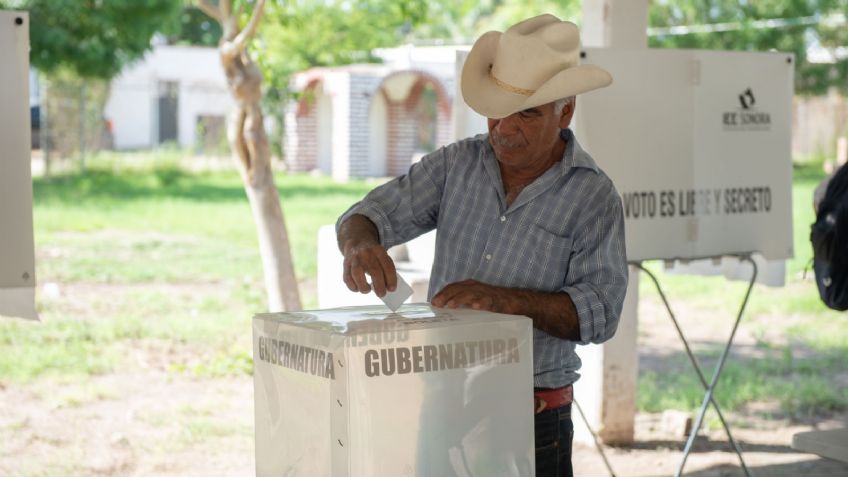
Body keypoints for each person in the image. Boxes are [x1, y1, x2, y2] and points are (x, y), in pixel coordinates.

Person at [336, 14, 628, 477]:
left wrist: (504, 303)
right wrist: (359, 245)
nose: (505, 129)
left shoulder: (592, 196)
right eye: (497, 110)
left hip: (532, 413)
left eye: (527, 114)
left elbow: (601, 313)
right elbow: (366, 215)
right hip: (444, 399)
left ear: (565, 112)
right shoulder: (457, 164)